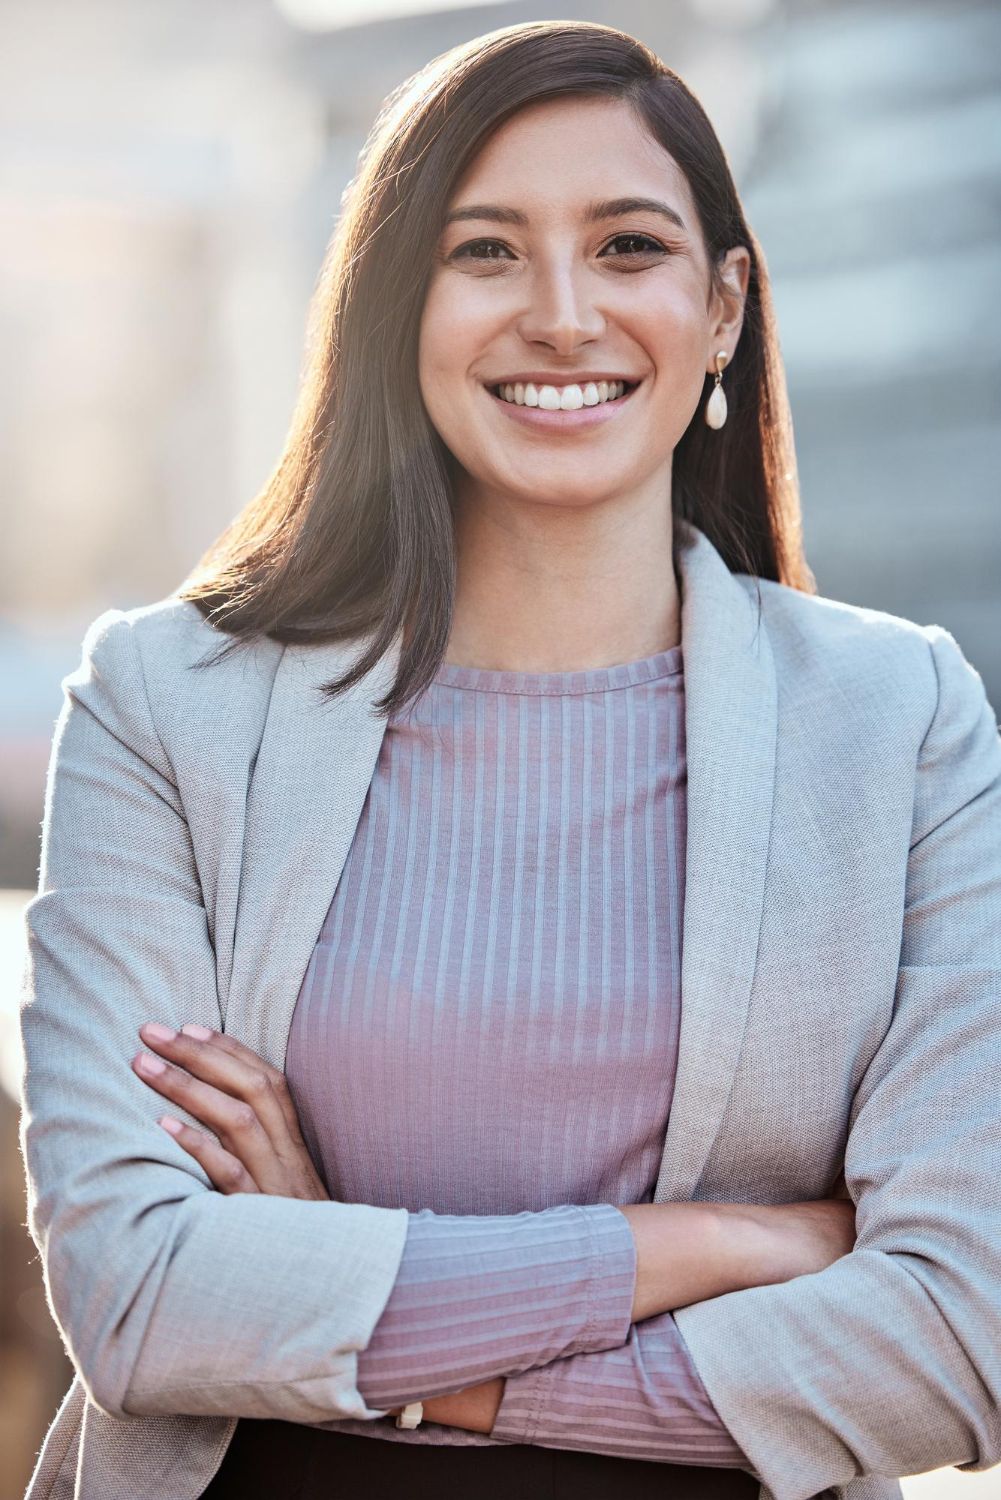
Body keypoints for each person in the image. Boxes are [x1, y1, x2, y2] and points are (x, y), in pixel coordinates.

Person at [17, 19, 1001, 1500]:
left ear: (721, 304)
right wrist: (726, 1245)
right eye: (485, 251)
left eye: (625, 248)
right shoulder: (171, 706)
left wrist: (376, 1329)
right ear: (395, 303)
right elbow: (145, 1297)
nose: (558, 314)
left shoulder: (899, 723)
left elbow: (956, 1336)